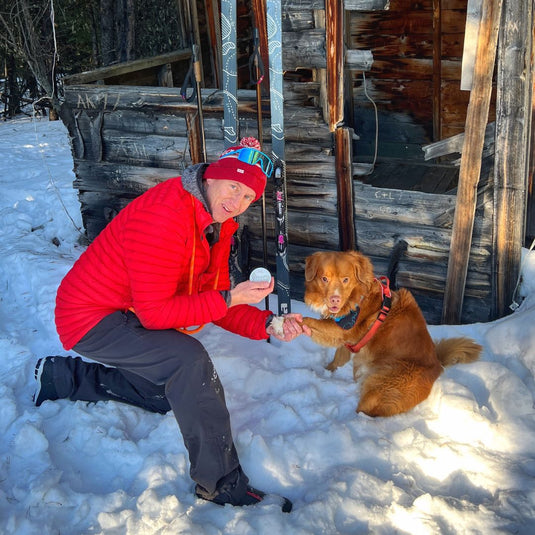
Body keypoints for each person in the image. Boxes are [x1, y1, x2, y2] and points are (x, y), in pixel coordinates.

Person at [33, 138, 310, 512]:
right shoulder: (165, 216)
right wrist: (230, 298)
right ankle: (220, 484)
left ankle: (61, 377)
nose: (237, 202)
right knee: (187, 364)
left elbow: (212, 301)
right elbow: (157, 315)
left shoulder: (216, 224)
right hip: (89, 316)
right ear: (210, 178)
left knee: (173, 393)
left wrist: (269, 324)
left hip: (126, 309)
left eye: (248, 197)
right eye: (233, 187)